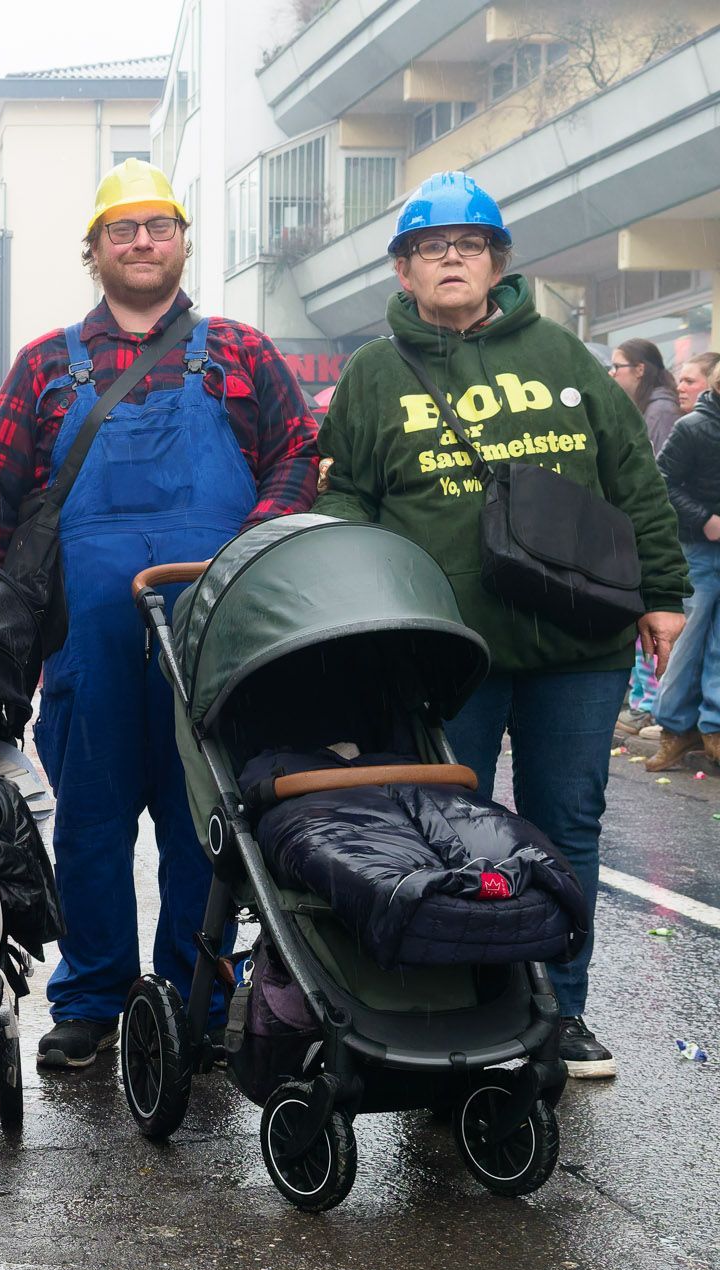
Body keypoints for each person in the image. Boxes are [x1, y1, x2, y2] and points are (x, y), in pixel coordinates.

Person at [314, 171, 688, 1080]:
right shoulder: (372, 373)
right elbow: (349, 507)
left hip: (578, 643)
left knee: (570, 824)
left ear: (497, 262)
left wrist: (663, 592)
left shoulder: (561, 357)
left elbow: (631, 475)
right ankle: (464, 1009)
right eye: (431, 247)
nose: (451, 258)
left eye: (469, 244)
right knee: (444, 832)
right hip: (444, 651)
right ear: (403, 271)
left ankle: (563, 1011)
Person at [0, 159, 320, 1070]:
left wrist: (248, 547)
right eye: (122, 230)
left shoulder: (241, 349)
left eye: (157, 225)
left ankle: (196, 999)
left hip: (216, 629)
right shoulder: (45, 363)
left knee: (208, 820)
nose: (142, 242)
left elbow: (295, 458)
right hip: (90, 639)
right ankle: (91, 998)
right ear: (95, 250)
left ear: (183, 240)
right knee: (91, 818)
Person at [647, 359, 720, 774]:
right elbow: (661, 481)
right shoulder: (692, 427)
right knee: (687, 643)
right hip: (698, 548)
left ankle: (713, 730)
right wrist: (704, 519)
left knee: (718, 646)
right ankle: (674, 729)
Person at [610, 338, 683, 733]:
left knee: (656, 637)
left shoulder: (659, 412)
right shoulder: (649, 407)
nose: (613, 374)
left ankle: (646, 706)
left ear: (640, 369)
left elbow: (653, 484)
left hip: (656, 540)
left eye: (618, 366)